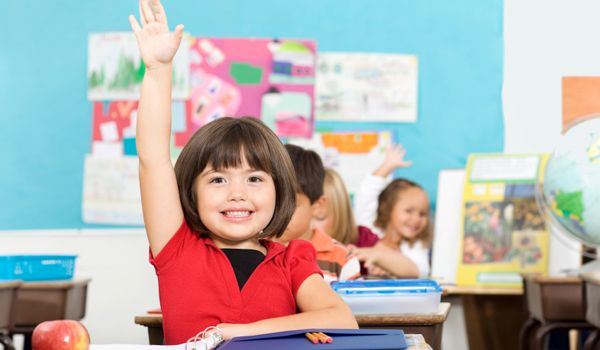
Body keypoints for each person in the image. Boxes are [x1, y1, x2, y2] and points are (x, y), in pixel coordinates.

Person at [129, 0, 357, 344]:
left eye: (254, 179)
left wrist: (231, 334)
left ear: (279, 191)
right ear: (190, 192)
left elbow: (341, 319)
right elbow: (153, 159)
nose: (238, 193)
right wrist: (158, 69)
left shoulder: (293, 258)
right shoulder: (177, 248)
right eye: (218, 179)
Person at [275, 144, 360, 284]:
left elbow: (352, 305)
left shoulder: (342, 259)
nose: (277, 213)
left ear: (317, 206)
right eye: (272, 202)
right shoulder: (253, 249)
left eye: (290, 204)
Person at [315, 168, 417, 277]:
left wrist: (377, 256)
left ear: (342, 215)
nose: (310, 228)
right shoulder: (298, 249)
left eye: (320, 218)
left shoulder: (361, 239)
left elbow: (413, 271)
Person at [354, 144, 432, 277]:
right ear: (388, 209)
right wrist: (388, 166)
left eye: (422, 214)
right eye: (408, 211)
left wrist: (384, 260)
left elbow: (420, 270)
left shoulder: (415, 246)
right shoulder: (369, 229)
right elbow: (367, 191)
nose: (416, 219)